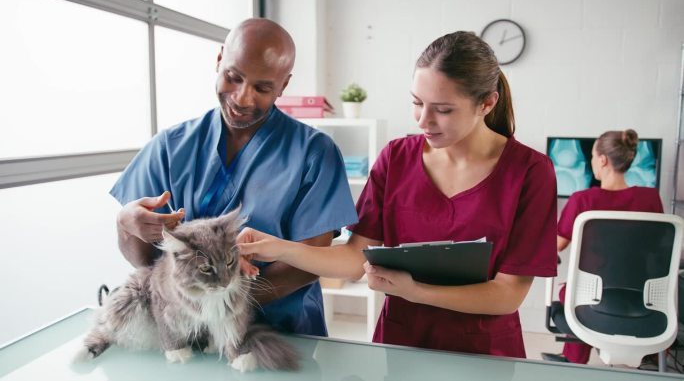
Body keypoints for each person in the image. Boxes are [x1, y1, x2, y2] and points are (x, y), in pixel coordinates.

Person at [237, 31, 558, 358]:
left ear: (487, 103)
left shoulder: (531, 172)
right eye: (417, 103)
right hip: (401, 345)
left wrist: (416, 292)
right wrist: (278, 248)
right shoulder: (396, 158)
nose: (423, 120)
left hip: (484, 352)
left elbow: (508, 295)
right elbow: (354, 259)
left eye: (443, 110)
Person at [110, 18, 358, 336]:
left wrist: (226, 307)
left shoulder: (315, 153)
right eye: (233, 77)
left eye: (263, 88)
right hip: (186, 331)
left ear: (283, 85)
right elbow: (146, 261)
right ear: (219, 60)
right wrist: (126, 225)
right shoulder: (170, 147)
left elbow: (310, 262)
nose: (242, 98)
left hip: (282, 332)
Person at [541, 129, 664, 364]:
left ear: (603, 160)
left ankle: (574, 359)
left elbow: (555, 247)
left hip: (591, 301)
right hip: (642, 299)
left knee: (573, 292)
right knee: (585, 292)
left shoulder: (582, 200)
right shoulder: (650, 198)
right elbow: (657, 247)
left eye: (592, 157)